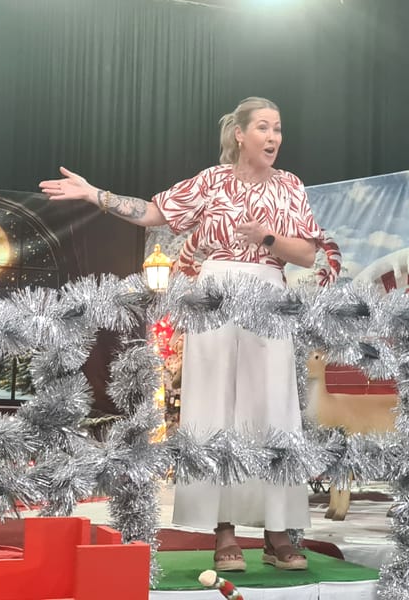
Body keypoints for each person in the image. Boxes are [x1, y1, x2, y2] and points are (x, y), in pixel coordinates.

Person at [40, 97, 324, 572]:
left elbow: (309, 254)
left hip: (268, 295)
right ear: (240, 134)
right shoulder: (211, 182)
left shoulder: (290, 186)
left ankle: (277, 533)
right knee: (214, 407)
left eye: (278, 128)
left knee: (273, 407)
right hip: (213, 295)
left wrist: (267, 238)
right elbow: (154, 213)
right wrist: (94, 195)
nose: (273, 137)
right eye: (263, 127)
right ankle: (223, 530)